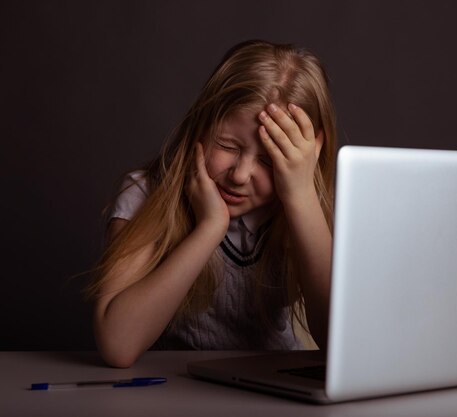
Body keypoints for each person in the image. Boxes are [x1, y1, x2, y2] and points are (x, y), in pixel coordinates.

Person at [86, 39, 337, 368]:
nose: (241, 175)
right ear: (200, 127)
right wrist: (209, 228)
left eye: (268, 160)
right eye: (228, 145)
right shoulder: (145, 194)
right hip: (176, 390)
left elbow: (342, 349)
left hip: (275, 387)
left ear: (307, 153)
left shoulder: (306, 209)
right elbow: (118, 345)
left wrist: (301, 196)